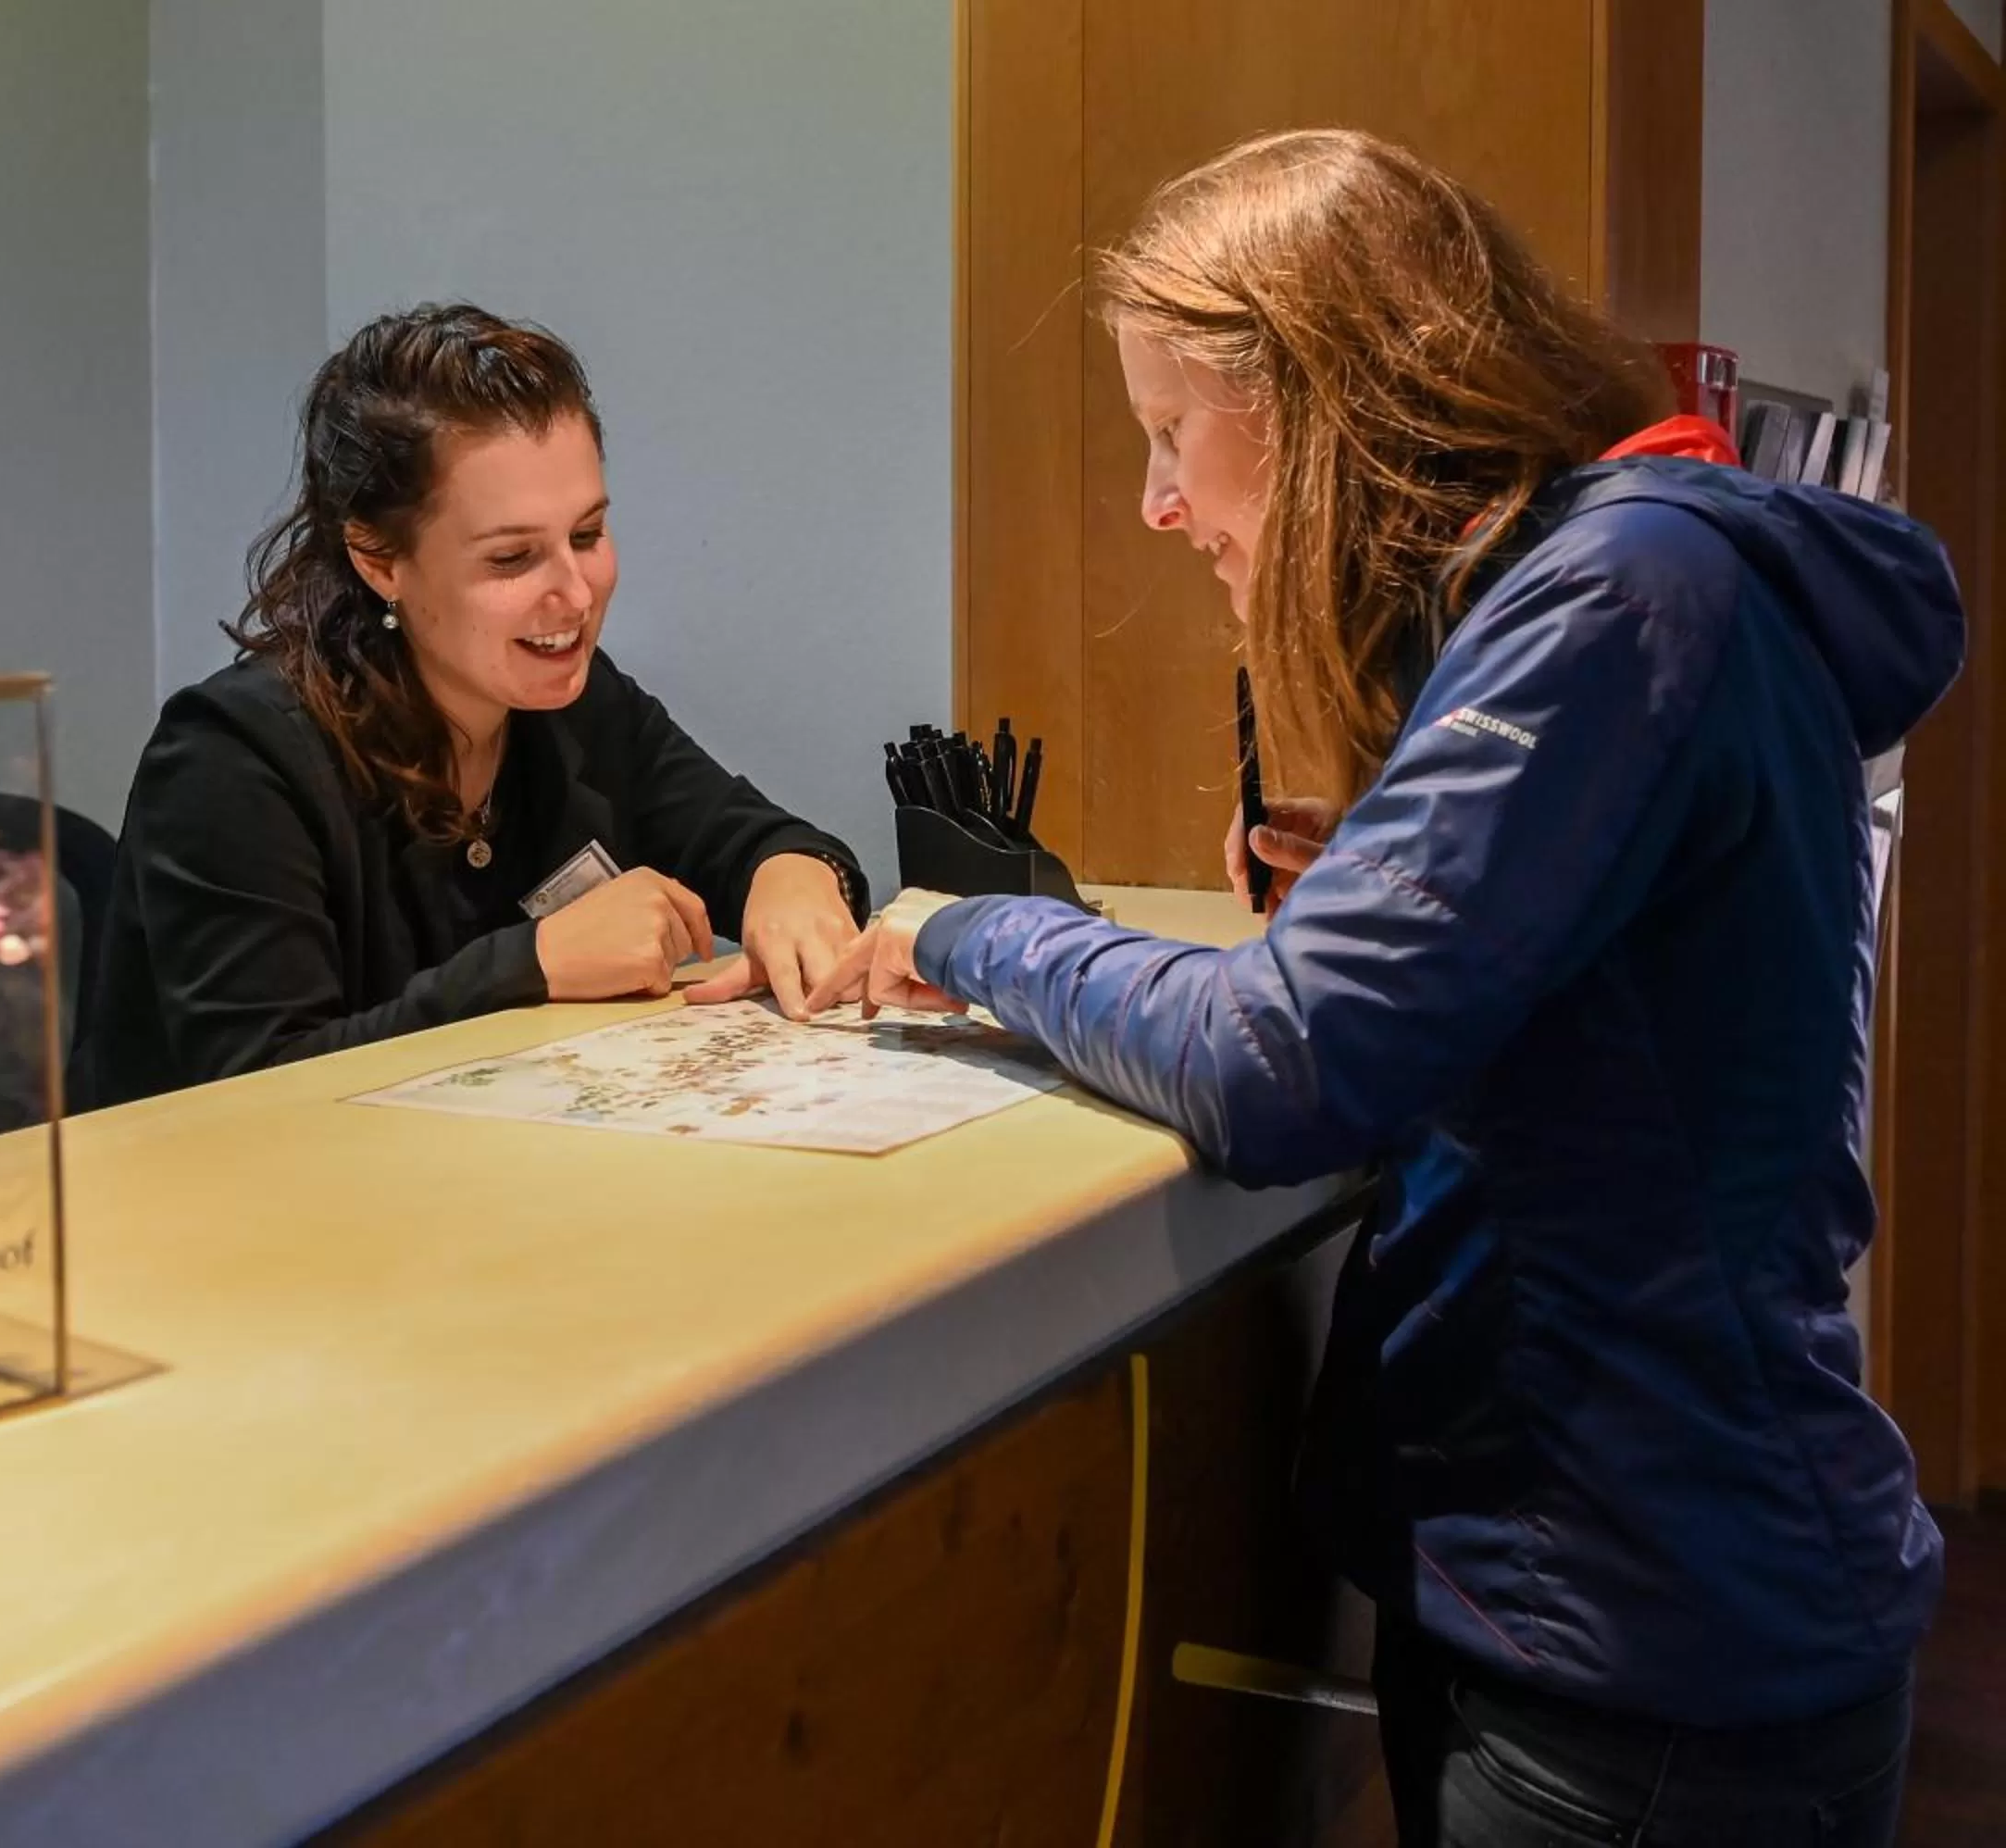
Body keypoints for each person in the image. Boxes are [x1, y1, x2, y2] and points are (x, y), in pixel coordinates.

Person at [809, 130, 1959, 1846]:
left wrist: (972, 931)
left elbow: (1289, 1061)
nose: (1159, 506)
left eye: (1169, 439)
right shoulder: (1610, 586)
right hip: (1618, 1591)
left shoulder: (1615, 598)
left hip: (1641, 1629)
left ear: (1311, 398)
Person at [74, 304, 866, 1106]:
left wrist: (793, 878)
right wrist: (533, 965)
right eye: (514, 557)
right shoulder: (232, 756)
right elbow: (256, 1085)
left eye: (587, 536)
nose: (575, 593)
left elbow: (761, 841)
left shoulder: (578, 707)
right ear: (380, 560)